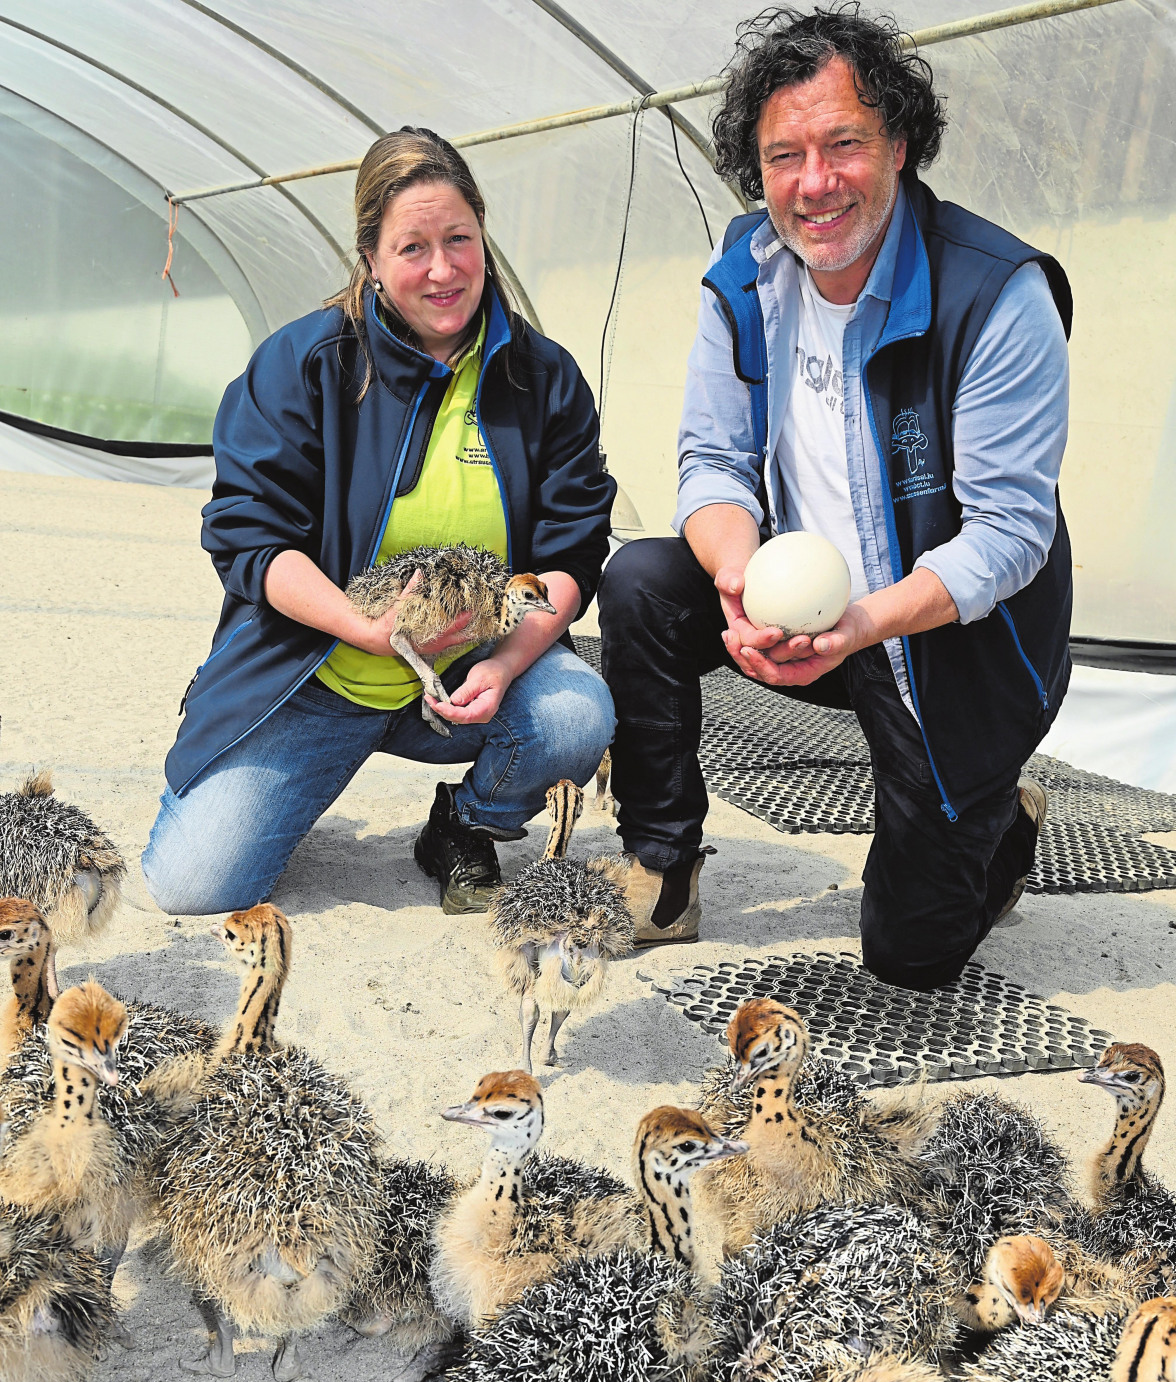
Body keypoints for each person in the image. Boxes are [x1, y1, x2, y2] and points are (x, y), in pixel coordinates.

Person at [598, 4, 1071, 990]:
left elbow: (1009, 535)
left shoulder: (994, 294)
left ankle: (1001, 821)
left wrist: (859, 624)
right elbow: (714, 464)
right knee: (641, 581)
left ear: (899, 144)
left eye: (842, 144)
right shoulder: (748, 274)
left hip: (948, 642)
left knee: (910, 954)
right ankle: (664, 864)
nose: (814, 184)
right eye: (784, 156)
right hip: (809, 608)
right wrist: (735, 576)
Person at [142, 128, 615, 918]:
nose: (442, 269)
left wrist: (500, 667)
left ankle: (465, 822)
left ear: (482, 233)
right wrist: (366, 630)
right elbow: (251, 538)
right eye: (412, 248)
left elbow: (571, 551)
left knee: (575, 715)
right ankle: (283, 765)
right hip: (321, 668)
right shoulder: (304, 366)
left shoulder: (542, 376)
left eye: (459, 239)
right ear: (369, 258)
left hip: (472, 674)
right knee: (194, 887)